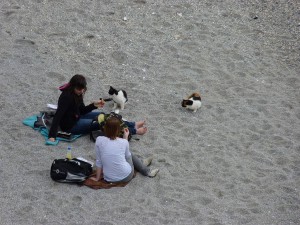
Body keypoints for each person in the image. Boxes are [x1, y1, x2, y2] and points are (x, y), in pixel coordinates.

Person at [48, 74, 147, 142]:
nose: (81, 91)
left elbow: (82, 110)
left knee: (106, 116)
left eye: (83, 89)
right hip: (71, 125)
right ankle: (135, 131)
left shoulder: (78, 93)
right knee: (103, 122)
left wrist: (94, 105)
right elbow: (58, 115)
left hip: (78, 115)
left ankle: (132, 124)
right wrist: (52, 136)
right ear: (73, 86)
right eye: (79, 89)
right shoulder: (66, 97)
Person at [91, 116, 159, 183]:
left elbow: (99, 161)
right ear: (118, 130)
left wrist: (97, 178)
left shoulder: (99, 140)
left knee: (120, 152)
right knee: (129, 153)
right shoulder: (123, 142)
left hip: (108, 178)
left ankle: (141, 162)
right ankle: (147, 172)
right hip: (126, 176)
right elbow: (127, 157)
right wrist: (125, 137)